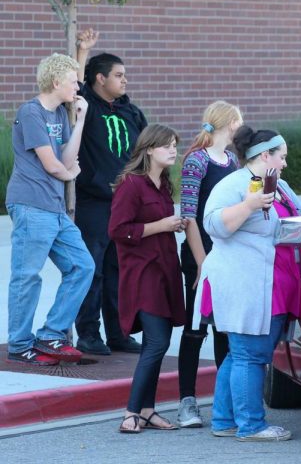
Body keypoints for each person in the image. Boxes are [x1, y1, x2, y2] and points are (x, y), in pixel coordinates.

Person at [200, 126, 301, 442]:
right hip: (246, 285)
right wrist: (249, 204)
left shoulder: (280, 185)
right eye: (281, 157)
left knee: (240, 354)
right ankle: (251, 426)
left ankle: (225, 420)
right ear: (265, 155)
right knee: (250, 356)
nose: (284, 163)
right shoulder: (232, 184)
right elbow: (213, 225)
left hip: (271, 285)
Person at [5, 54, 94, 365]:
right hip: (31, 204)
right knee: (27, 276)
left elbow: (67, 159)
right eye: (73, 81)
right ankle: (18, 344)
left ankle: (51, 334)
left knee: (82, 266)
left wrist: (80, 120)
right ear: (56, 82)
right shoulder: (31, 113)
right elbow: (54, 165)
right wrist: (68, 174)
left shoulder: (58, 115)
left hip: (53, 208)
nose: (77, 86)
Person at [73, 29, 147, 356]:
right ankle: (88, 334)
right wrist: (82, 51)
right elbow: (74, 88)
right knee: (93, 269)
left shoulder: (130, 111)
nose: (124, 80)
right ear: (100, 79)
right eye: (119, 75)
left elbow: (148, 148)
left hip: (126, 205)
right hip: (95, 203)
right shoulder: (86, 105)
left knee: (120, 270)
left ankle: (118, 332)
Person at [108, 124, 187, 433]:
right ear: (149, 149)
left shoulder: (163, 184)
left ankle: (147, 410)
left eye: (175, 145)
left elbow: (160, 225)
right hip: (143, 276)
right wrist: (162, 225)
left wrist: (173, 225)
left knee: (158, 344)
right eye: (167, 145)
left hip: (166, 272)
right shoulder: (131, 184)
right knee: (156, 342)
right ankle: (131, 413)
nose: (173, 150)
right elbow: (117, 230)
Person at [175, 101, 243, 428]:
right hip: (200, 255)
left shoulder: (231, 161)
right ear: (229, 123)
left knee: (224, 327)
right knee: (195, 326)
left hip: (227, 254)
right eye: (238, 123)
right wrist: (202, 264)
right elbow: (189, 217)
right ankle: (187, 401)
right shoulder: (196, 161)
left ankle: (224, 401)